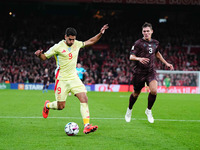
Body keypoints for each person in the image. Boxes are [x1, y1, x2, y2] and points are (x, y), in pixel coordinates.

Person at [35, 24, 109, 134]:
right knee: (61, 106)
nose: (72, 42)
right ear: (65, 37)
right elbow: (44, 57)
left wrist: (100, 33)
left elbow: (91, 41)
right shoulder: (57, 47)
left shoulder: (77, 44)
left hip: (74, 78)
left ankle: (87, 125)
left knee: (84, 98)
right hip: (62, 80)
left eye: (74, 39)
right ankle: (47, 105)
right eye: (70, 39)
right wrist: (39, 55)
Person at [125, 22, 174, 123]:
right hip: (139, 72)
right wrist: (139, 59)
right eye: (144, 31)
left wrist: (166, 63)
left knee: (154, 91)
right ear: (142, 32)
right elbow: (131, 56)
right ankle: (129, 110)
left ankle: (148, 110)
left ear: (152, 31)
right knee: (136, 93)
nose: (146, 33)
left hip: (150, 71)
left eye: (148, 31)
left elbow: (157, 54)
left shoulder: (155, 43)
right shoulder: (138, 43)